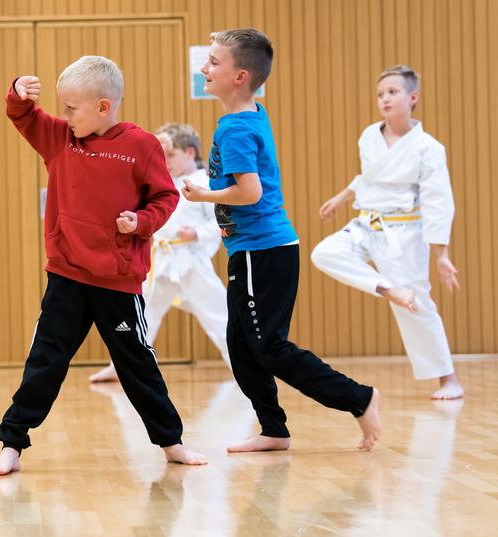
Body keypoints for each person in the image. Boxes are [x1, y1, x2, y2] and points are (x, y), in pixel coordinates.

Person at [0, 56, 208, 477]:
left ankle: (172, 442)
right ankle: (12, 443)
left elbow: (165, 198)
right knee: (45, 361)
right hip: (66, 276)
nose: (64, 117)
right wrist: (17, 90)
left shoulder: (141, 146)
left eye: (72, 109)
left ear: (103, 107)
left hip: (118, 282)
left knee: (137, 363)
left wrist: (140, 222)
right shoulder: (59, 138)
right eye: (62, 108)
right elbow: (22, 114)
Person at [183, 28, 382, 453]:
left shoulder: (236, 128)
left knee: (268, 346)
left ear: (241, 76)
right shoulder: (249, 114)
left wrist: (203, 194)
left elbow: (249, 193)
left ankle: (359, 398)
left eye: (214, 62)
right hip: (255, 251)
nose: (205, 68)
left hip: (263, 252)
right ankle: (273, 429)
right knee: (242, 345)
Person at [311, 64, 463, 400]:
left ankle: (448, 379)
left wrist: (442, 255)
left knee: (417, 304)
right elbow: (369, 176)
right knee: (323, 252)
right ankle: (387, 288)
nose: (385, 99)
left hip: (404, 232)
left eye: (392, 92)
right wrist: (343, 196)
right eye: (381, 94)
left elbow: (438, 200)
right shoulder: (369, 135)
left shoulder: (429, 148)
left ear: (412, 97)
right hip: (367, 223)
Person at [89, 122, 229, 383]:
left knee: (218, 314)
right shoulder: (160, 181)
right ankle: (121, 366)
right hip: (160, 261)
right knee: (142, 314)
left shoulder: (205, 182)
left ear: (190, 153)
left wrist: (196, 234)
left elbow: (219, 221)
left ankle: (243, 367)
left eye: (172, 155)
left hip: (191, 261)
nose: (167, 161)